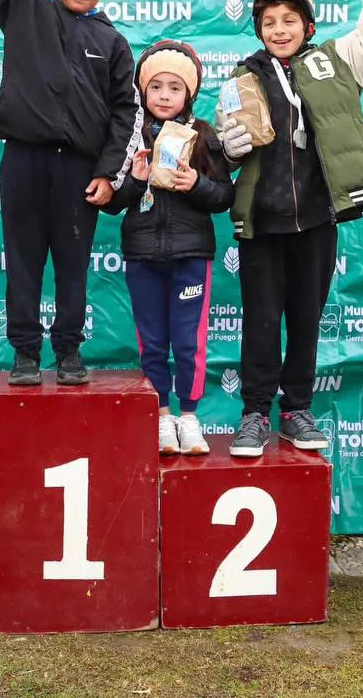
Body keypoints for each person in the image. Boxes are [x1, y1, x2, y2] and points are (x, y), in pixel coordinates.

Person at [216, 0, 363, 457]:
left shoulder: (339, 63)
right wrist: (228, 148)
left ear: (308, 25)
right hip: (263, 222)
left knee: (305, 321)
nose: (279, 30)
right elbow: (224, 147)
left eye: (289, 20)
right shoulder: (241, 78)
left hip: (318, 218)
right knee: (260, 321)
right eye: (268, 22)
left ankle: (296, 409)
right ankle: (254, 413)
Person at [0, 0, 142, 386]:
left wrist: (108, 171)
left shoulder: (113, 43)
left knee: (73, 265)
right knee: (22, 261)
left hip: (79, 171)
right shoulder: (24, 9)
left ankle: (69, 351)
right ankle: (25, 354)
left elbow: (126, 112)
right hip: (23, 161)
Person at [106, 40, 235, 454]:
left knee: (188, 341)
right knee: (152, 341)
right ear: (142, 91)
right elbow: (113, 202)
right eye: (156, 87)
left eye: (175, 88)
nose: (164, 95)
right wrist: (134, 179)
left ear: (189, 94)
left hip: (191, 255)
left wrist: (196, 184)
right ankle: (161, 416)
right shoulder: (130, 136)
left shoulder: (203, 135)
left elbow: (224, 196)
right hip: (142, 254)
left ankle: (190, 417)